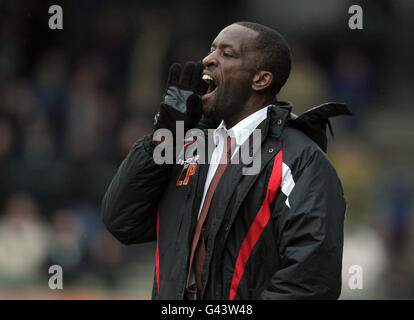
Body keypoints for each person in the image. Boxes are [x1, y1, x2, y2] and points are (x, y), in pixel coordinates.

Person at [101, 21, 351, 300]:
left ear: (261, 79)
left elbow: (312, 281)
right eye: (211, 50)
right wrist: (164, 137)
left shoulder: (300, 160)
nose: (208, 59)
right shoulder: (187, 145)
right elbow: (122, 221)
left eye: (227, 54)